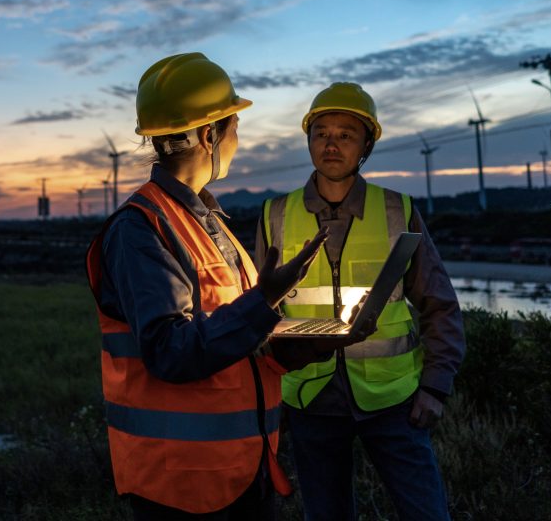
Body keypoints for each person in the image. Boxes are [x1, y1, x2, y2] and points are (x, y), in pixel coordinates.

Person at [87, 52, 338, 520]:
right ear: (208, 135)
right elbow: (171, 351)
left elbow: (233, 340)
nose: (238, 141)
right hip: (182, 486)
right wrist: (264, 299)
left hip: (242, 470)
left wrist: (295, 347)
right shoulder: (140, 230)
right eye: (234, 127)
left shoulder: (207, 223)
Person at [256, 82, 465, 521]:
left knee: (427, 514)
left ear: (366, 145)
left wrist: (434, 386)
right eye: (321, 133)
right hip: (310, 399)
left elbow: (439, 303)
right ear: (309, 140)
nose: (331, 144)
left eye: (346, 134)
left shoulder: (397, 209)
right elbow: (255, 313)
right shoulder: (275, 214)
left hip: (394, 402)